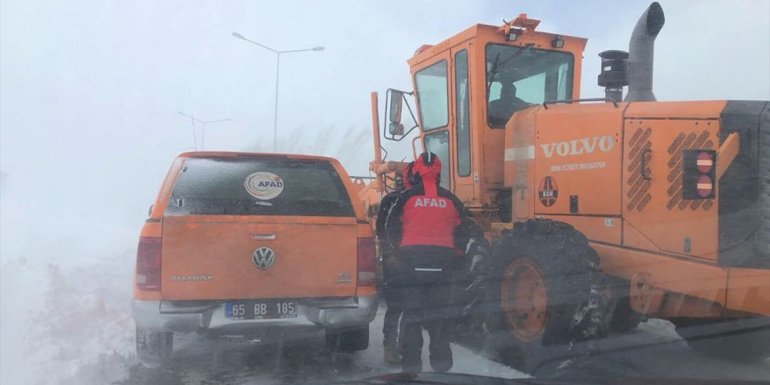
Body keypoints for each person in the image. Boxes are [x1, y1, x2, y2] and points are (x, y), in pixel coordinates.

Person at [384, 152, 475, 373]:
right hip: (443, 265)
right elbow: (465, 230)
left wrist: (397, 252)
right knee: (440, 313)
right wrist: (457, 254)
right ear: (438, 173)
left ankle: (412, 365)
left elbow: (391, 226)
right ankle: (442, 363)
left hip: (411, 265)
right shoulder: (450, 198)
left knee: (412, 315)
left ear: (414, 173)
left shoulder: (406, 197)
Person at [375, 162, 414, 366]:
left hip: (397, 261)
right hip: (403, 260)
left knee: (396, 306)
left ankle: (392, 346)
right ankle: (397, 345)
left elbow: (380, 229)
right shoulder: (399, 201)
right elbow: (382, 229)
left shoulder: (390, 200)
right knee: (405, 306)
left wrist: (389, 254)